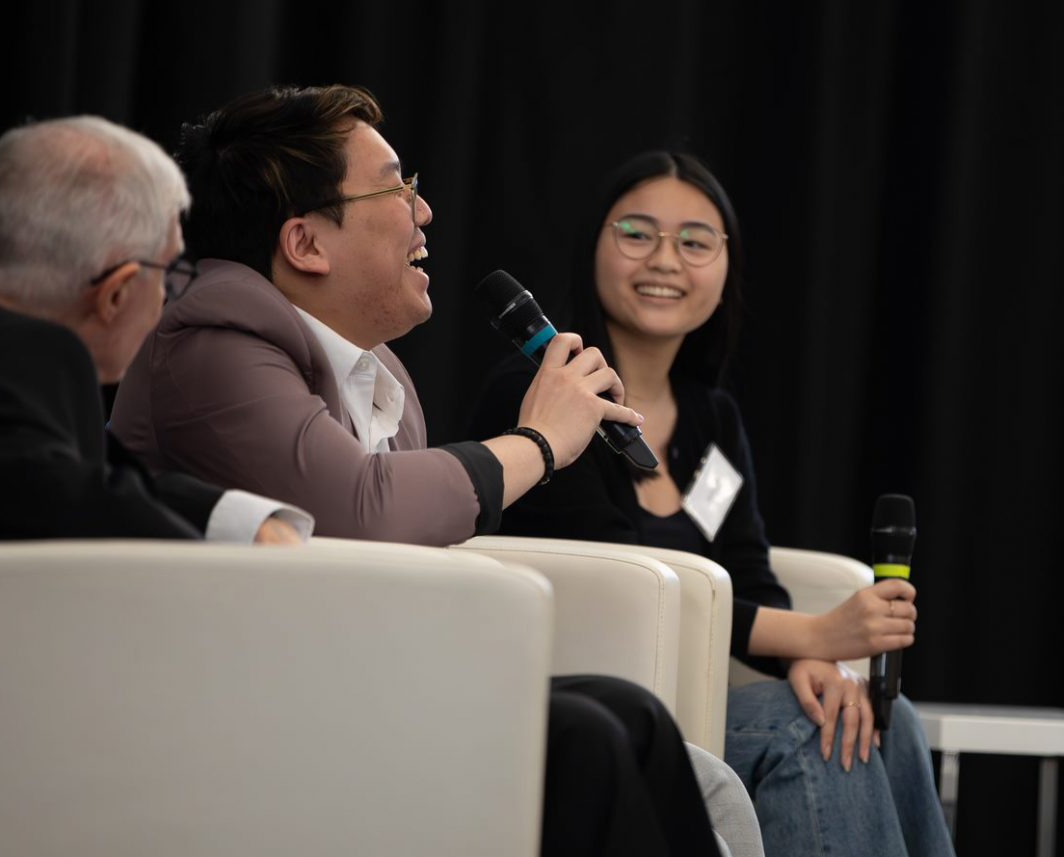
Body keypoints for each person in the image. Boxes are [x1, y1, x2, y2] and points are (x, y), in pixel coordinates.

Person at [110, 85, 730, 857]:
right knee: (584, 739)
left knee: (633, 717)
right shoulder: (214, 336)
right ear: (306, 243)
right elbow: (365, 514)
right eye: (397, 186)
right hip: (243, 709)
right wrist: (539, 442)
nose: (424, 211)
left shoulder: (382, 377)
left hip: (366, 683)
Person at [469, 150, 956, 856]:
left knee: (886, 716)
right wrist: (814, 637)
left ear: (725, 267)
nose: (665, 259)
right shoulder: (543, 391)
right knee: (806, 728)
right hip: (605, 707)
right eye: (637, 233)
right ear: (593, 248)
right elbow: (624, 581)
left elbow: (747, 571)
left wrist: (807, 662)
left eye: (695, 241)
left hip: (700, 693)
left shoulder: (711, 419)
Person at [0, 116, 310, 547]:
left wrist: (233, 519)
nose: (167, 296)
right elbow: (72, 504)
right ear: (114, 295)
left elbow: (95, 483)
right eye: (168, 271)